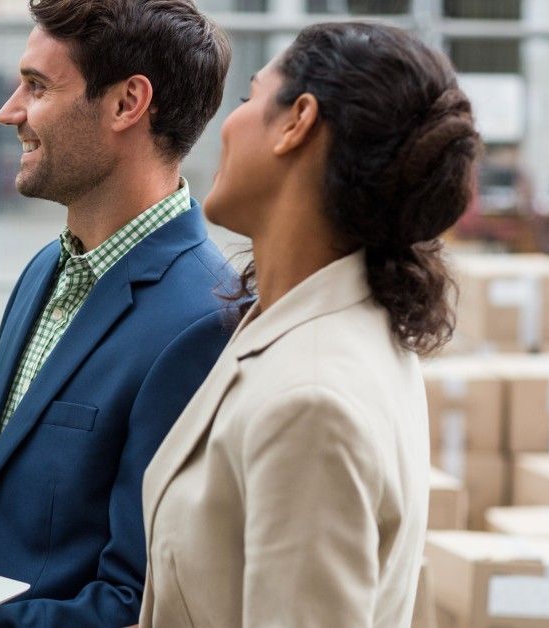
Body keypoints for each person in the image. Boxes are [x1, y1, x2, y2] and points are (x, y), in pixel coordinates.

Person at [0, 1, 235, 625]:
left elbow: (138, 603)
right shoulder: (47, 269)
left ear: (126, 104)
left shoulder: (202, 322)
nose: (10, 111)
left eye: (37, 87)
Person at [140, 22, 480, 627]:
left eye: (248, 98)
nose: (228, 124)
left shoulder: (312, 400)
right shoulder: (310, 324)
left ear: (297, 121)